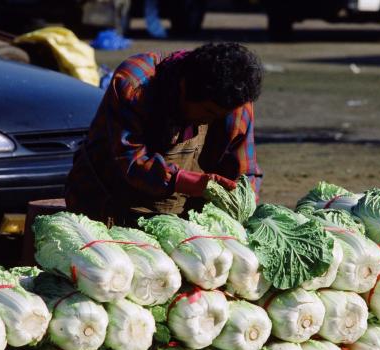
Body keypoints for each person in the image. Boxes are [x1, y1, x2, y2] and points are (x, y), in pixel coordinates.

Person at [65, 42, 264, 226]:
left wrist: (243, 201)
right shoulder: (136, 84)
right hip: (104, 203)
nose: (210, 121)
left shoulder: (236, 103)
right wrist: (191, 182)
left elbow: (245, 170)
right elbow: (131, 160)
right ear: (185, 88)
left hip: (176, 221)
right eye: (208, 112)